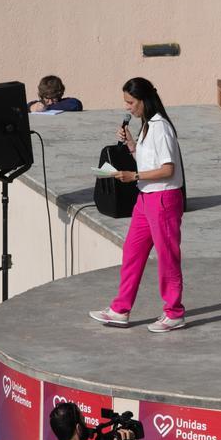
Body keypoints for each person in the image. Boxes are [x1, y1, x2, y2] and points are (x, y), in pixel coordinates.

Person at [89, 77, 187, 333]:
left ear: (144, 100)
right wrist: (132, 144)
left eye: (131, 102)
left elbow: (167, 169)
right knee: (132, 252)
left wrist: (134, 176)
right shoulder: (147, 126)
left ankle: (174, 312)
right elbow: (148, 160)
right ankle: (120, 309)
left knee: (167, 257)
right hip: (145, 199)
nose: (128, 108)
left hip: (163, 198)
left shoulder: (160, 127)